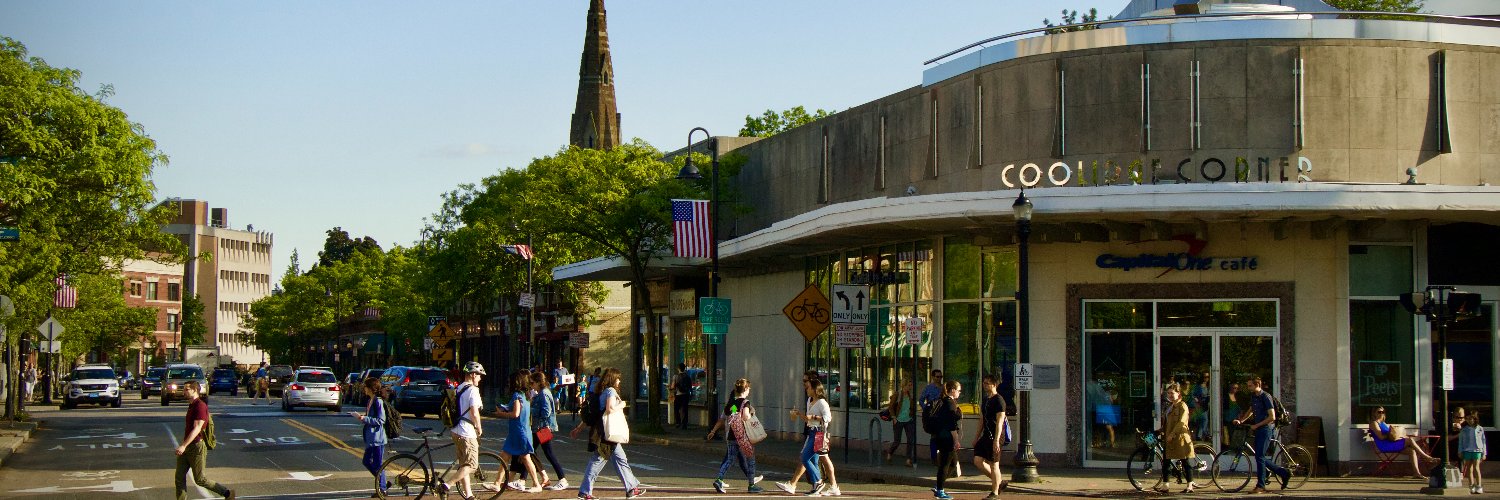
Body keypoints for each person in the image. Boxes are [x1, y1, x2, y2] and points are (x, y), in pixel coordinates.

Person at [577, 367, 645, 500]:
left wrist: (579, 427)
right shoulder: (611, 391)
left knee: (621, 459)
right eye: (618, 378)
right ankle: (585, 491)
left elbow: (597, 412)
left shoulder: (600, 391)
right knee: (597, 461)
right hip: (608, 433)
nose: (619, 381)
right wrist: (622, 404)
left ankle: (631, 488)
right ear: (613, 379)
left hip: (605, 432)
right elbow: (609, 409)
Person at [777, 371, 842, 496]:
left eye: (807, 386)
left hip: (819, 433)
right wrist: (799, 414)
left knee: (806, 457)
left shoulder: (822, 402)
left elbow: (827, 418)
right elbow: (808, 419)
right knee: (813, 458)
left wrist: (814, 417)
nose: (806, 389)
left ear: (814, 388)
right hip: (812, 432)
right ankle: (817, 486)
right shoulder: (809, 401)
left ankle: (818, 481)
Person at [173, 381, 234, 500]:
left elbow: (197, 428)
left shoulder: (200, 406)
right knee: (179, 477)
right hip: (188, 445)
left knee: (200, 479)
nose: (184, 391)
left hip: (197, 446)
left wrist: (183, 446)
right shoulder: (191, 405)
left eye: (186, 389)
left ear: (195, 390)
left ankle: (227, 493)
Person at [1232, 377, 1290, 493]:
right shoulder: (1254, 396)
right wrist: (1242, 420)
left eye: (1250, 386)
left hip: (1266, 429)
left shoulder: (1265, 397)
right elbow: (1251, 410)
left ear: (1257, 384)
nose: (1248, 388)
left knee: (1260, 456)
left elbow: (1272, 417)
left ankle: (1261, 486)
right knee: (1260, 456)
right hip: (1259, 428)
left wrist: (1257, 425)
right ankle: (1284, 473)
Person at [706, 378, 764, 494]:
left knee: (729, 459)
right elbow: (746, 416)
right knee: (750, 459)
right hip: (743, 436)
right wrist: (750, 413)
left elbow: (732, 414)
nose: (749, 391)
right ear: (745, 389)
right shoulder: (745, 402)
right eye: (749, 389)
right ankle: (751, 485)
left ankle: (719, 479)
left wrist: (713, 431)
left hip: (732, 434)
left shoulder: (731, 404)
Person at [438, 361, 485, 500]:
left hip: (456, 430)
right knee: (472, 465)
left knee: (463, 465)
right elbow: (474, 412)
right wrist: (479, 427)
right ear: (472, 375)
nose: (480, 378)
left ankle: (469, 495)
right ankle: (446, 485)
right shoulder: (473, 390)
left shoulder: (459, 388)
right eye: (479, 375)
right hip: (467, 432)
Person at [1368, 405, 1437, 478]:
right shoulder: (1374, 423)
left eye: (1383, 412)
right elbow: (1381, 437)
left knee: (1412, 451)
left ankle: (1416, 473)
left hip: (1391, 443)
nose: (1381, 413)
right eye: (1379, 412)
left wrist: (1397, 434)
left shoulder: (1383, 423)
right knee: (1410, 440)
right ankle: (1426, 457)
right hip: (1384, 445)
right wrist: (1392, 435)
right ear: (1374, 413)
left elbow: (1390, 436)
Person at [528, 371, 568, 490]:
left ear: (539, 382)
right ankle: (528, 478)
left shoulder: (544, 394)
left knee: (547, 453)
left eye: (532, 383)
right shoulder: (541, 393)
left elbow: (546, 412)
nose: (531, 385)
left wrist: (531, 409)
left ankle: (562, 479)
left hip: (543, 428)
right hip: (539, 428)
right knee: (529, 451)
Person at [1158, 383, 1199, 493]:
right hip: (1169, 439)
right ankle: (1165, 485)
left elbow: (1181, 422)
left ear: (1178, 394)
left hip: (1180, 438)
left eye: (1172, 393)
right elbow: (1167, 423)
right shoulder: (1169, 407)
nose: (1170, 395)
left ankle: (1190, 485)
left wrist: (1172, 434)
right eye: (1168, 393)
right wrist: (1160, 431)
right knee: (1166, 461)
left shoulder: (1182, 406)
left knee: (1185, 461)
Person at [352, 377, 389, 499]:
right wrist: (363, 418)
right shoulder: (370, 400)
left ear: (371, 388)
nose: (364, 389)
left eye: (366, 387)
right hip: (371, 438)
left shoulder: (378, 401)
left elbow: (381, 420)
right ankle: (382, 483)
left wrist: (364, 418)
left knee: (378, 464)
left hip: (377, 438)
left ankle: (382, 488)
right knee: (366, 461)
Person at [972, 375, 1006, 499]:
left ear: (994, 385)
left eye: (987, 383)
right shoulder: (986, 399)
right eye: (984, 383)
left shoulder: (999, 400)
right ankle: (999, 482)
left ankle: (995, 492)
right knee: (977, 460)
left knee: (994, 464)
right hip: (986, 435)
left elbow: (1000, 421)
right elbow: (982, 419)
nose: (985, 385)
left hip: (995, 436)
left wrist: (996, 441)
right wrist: (976, 437)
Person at [927, 380, 963, 500]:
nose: (959, 392)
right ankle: (940, 490)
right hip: (946, 437)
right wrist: (956, 440)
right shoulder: (950, 403)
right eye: (958, 390)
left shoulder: (944, 402)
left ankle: (939, 485)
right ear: (952, 390)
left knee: (952, 463)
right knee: (945, 464)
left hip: (940, 436)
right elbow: (951, 424)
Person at [885, 378, 917, 467]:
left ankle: (908, 460)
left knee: (910, 440)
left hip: (908, 420)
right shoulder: (898, 394)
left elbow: (912, 407)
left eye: (911, 385)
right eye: (909, 385)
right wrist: (894, 418)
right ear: (904, 385)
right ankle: (889, 453)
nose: (910, 387)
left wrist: (912, 415)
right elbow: (890, 407)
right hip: (898, 420)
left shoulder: (911, 395)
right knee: (897, 441)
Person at [1460, 411, 1487, 494]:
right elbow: (1461, 441)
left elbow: (1483, 441)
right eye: (1467, 419)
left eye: (1471, 419)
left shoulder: (1480, 428)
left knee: (1476, 467)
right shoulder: (1464, 429)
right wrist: (1460, 451)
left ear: (1474, 419)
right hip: (1467, 450)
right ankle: (1471, 485)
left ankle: (1479, 486)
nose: (1469, 420)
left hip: (1477, 450)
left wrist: (1484, 452)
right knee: (1469, 468)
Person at [673, 363, 693, 429]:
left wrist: (669, 387)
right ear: (684, 368)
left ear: (678, 368)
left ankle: (678, 422)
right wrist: (691, 394)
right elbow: (690, 386)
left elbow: (673, 386)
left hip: (678, 395)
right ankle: (684, 424)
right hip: (686, 395)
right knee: (685, 410)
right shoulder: (688, 376)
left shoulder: (675, 377)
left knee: (676, 409)